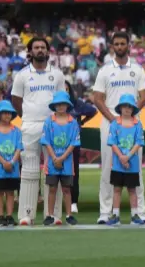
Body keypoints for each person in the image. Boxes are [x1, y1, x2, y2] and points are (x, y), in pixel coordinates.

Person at [93, 32, 145, 224]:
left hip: (133, 122)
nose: (119, 46)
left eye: (122, 43)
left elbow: (144, 97)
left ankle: (139, 212)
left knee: (136, 167)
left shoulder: (138, 69)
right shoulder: (104, 70)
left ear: (128, 46)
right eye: (116, 44)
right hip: (110, 120)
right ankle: (105, 212)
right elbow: (97, 99)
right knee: (108, 167)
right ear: (112, 47)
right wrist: (114, 120)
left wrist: (130, 116)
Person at [11, 37, 66, 226]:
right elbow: (16, 100)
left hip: (53, 125)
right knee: (29, 169)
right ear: (30, 51)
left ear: (48, 51)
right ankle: (26, 214)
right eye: (36, 47)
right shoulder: (22, 75)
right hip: (30, 125)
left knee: (54, 170)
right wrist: (27, 116)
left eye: (43, 47)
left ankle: (53, 214)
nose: (40, 50)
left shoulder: (57, 74)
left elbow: (62, 99)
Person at [40, 91, 81, 226]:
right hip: (52, 162)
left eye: (63, 104)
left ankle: (69, 215)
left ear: (67, 105)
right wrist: (54, 158)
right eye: (58, 104)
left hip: (67, 162)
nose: (61, 106)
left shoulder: (73, 122)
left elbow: (73, 143)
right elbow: (46, 141)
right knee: (52, 189)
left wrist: (62, 158)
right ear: (54, 106)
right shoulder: (49, 121)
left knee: (67, 189)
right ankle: (50, 215)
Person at [106, 94, 145, 226]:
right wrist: (121, 157)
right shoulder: (115, 124)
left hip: (132, 164)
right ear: (120, 108)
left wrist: (127, 157)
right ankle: (115, 215)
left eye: (130, 106)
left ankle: (134, 215)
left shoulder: (137, 124)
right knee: (117, 189)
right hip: (117, 164)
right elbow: (112, 142)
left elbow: (139, 142)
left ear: (133, 109)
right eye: (125, 106)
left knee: (132, 190)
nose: (127, 109)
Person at [0, 100, 23, 227]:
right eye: (5, 112)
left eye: (9, 112)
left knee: (10, 192)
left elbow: (19, 148)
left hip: (13, 168)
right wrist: (4, 163)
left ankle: (9, 216)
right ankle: (0, 216)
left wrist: (11, 162)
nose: (8, 115)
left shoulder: (16, 131)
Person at [66, 81, 97, 214]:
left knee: (74, 173)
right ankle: (58, 201)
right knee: (56, 173)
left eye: (66, 89)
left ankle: (73, 202)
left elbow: (93, 111)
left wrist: (82, 122)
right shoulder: (54, 104)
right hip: (58, 144)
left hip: (74, 143)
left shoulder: (77, 103)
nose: (65, 91)